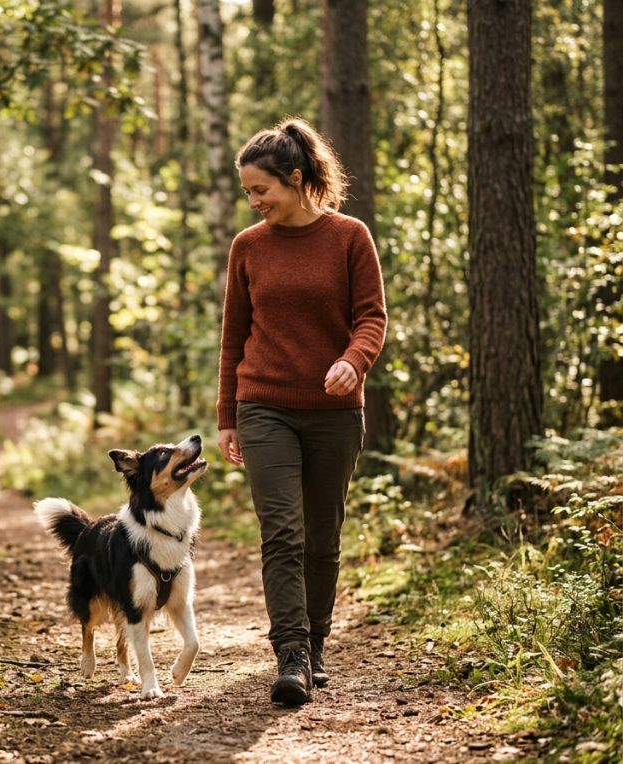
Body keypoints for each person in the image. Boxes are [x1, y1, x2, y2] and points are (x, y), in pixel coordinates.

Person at [216, 116, 387, 706]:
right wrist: (227, 415)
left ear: (294, 178)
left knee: (321, 535)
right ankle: (289, 652)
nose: (254, 202)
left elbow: (372, 318)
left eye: (261, 189)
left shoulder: (350, 237)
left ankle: (315, 645)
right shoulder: (247, 247)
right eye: (247, 192)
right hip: (263, 406)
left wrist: (354, 362)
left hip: (334, 412)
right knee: (282, 532)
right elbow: (234, 336)